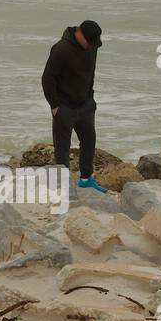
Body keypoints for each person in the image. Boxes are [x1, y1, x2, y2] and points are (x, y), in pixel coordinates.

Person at [41, 19, 107, 193]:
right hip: (64, 106)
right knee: (62, 147)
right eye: (90, 42)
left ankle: (86, 179)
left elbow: (91, 71)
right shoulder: (61, 49)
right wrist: (55, 105)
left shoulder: (91, 46)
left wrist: (90, 97)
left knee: (89, 140)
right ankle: (63, 186)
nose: (92, 46)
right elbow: (47, 78)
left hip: (85, 104)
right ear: (79, 34)